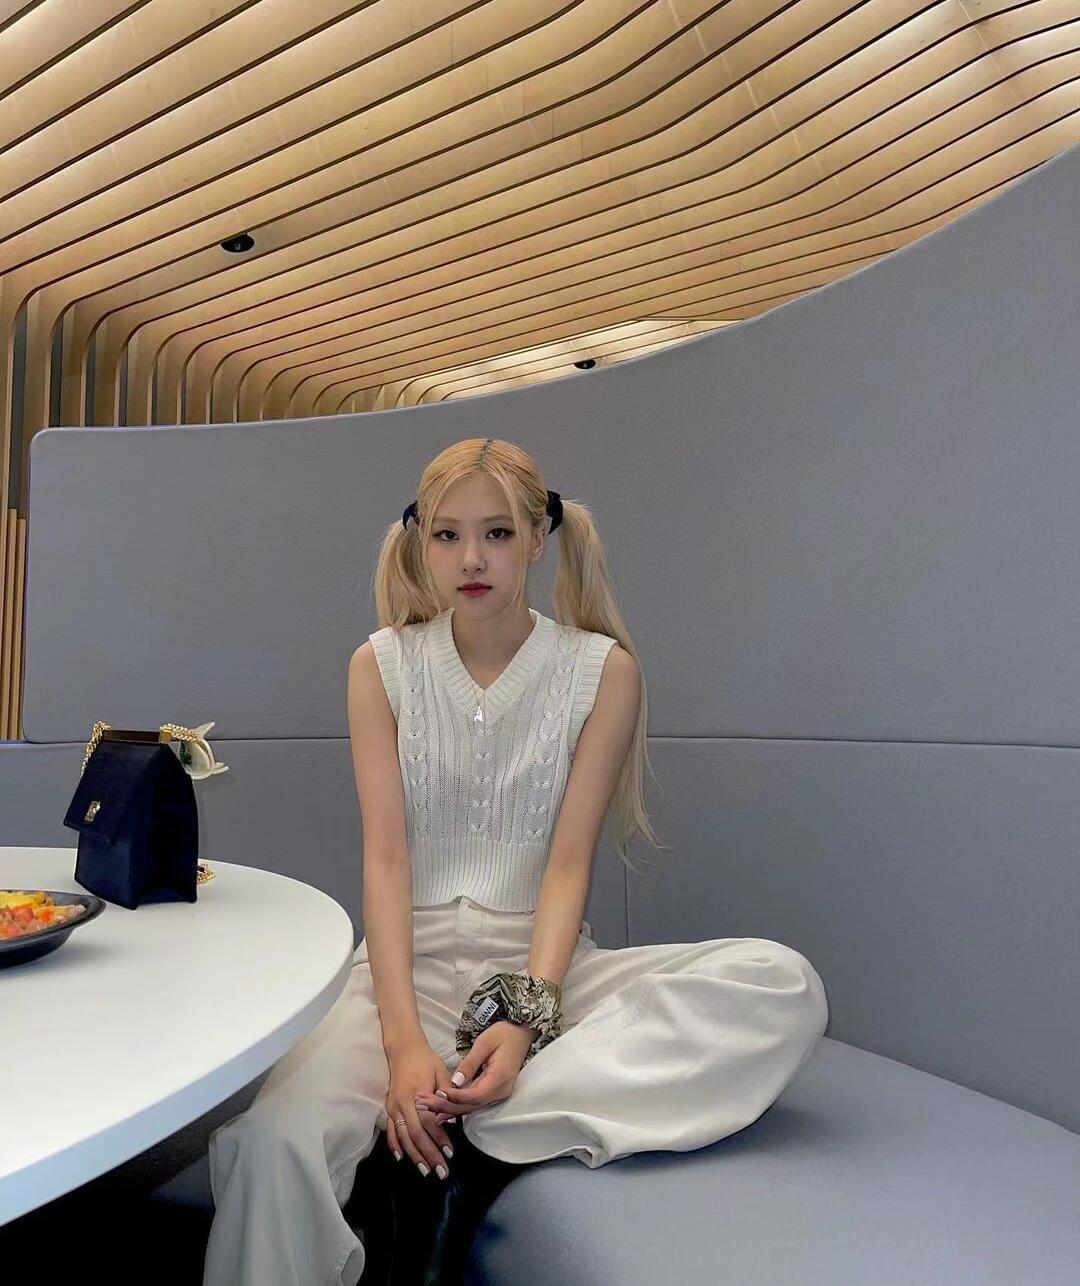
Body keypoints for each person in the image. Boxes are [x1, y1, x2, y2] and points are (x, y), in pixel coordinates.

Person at [202, 437, 829, 1286]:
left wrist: (528, 1018)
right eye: (448, 535)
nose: (471, 559)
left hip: (544, 969)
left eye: (497, 534)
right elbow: (385, 860)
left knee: (784, 985)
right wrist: (402, 1045)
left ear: (537, 539)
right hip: (401, 972)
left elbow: (567, 868)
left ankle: (488, 1123)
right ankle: (463, 1095)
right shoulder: (380, 666)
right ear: (421, 541)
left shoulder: (602, 672)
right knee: (273, 1144)